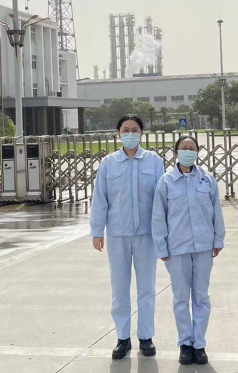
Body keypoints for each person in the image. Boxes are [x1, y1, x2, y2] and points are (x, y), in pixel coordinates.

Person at [90, 114, 165, 360]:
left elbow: (162, 198)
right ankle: (123, 337)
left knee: (147, 288)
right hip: (118, 233)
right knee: (119, 289)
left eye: (134, 130)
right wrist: (97, 231)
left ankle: (146, 336)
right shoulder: (108, 163)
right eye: (125, 130)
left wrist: (164, 231)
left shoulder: (153, 161)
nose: (130, 134)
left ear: (141, 133)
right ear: (118, 134)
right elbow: (100, 198)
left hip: (147, 235)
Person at [152, 136, 225, 365]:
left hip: (203, 246)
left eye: (191, 148)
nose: (187, 152)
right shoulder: (166, 181)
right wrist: (161, 246)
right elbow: (158, 216)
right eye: (183, 148)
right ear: (175, 153)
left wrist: (218, 240)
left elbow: (216, 211)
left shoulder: (207, 179)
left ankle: (199, 344)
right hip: (177, 248)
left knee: (201, 296)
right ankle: (185, 343)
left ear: (197, 152)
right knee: (181, 298)